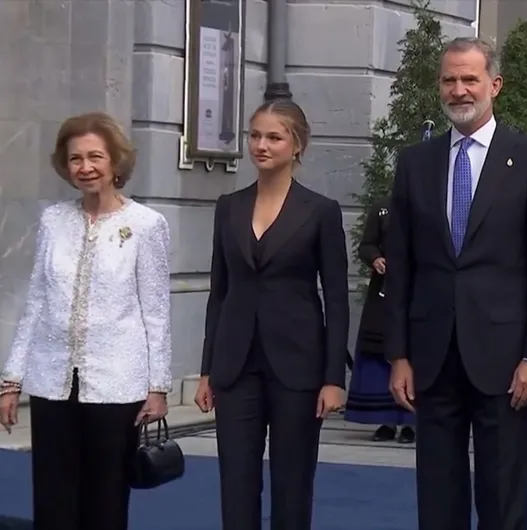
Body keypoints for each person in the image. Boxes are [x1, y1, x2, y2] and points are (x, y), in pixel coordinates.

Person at [384, 37, 527, 530]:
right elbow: (401, 266)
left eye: (470, 79)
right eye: (450, 80)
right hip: (432, 354)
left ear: (494, 84)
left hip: (506, 359)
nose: (460, 90)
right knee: (437, 496)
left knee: (502, 492)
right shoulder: (414, 163)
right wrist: (398, 353)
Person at [0, 112, 172, 530]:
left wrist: (158, 386)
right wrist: (11, 380)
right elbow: (37, 300)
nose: (85, 167)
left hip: (117, 385)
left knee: (106, 499)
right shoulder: (53, 220)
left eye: (96, 156)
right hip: (51, 381)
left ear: (116, 162)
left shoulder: (146, 225)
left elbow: (156, 310)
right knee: (53, 497)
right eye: (75, 158)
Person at [193, 99, 350, 530]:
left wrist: (333, 378)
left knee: (293, 484)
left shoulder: (320, 211)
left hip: (298, 367)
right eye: (255, 135)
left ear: (297, 145)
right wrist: (207, 369)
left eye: (273, 137)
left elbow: (336, 299)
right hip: (235, 364)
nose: (261, 145)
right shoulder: (229, 206)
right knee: (236, 482)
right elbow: (219, 293)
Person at [344, 196, 415, 443]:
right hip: (384, 293)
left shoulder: (433, 204)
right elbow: (366, 245)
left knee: (415, 355)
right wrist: (375, 258)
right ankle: (386, 421)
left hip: (420, 294)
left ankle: (411, 423)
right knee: (380, 353)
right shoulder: (383, 208)